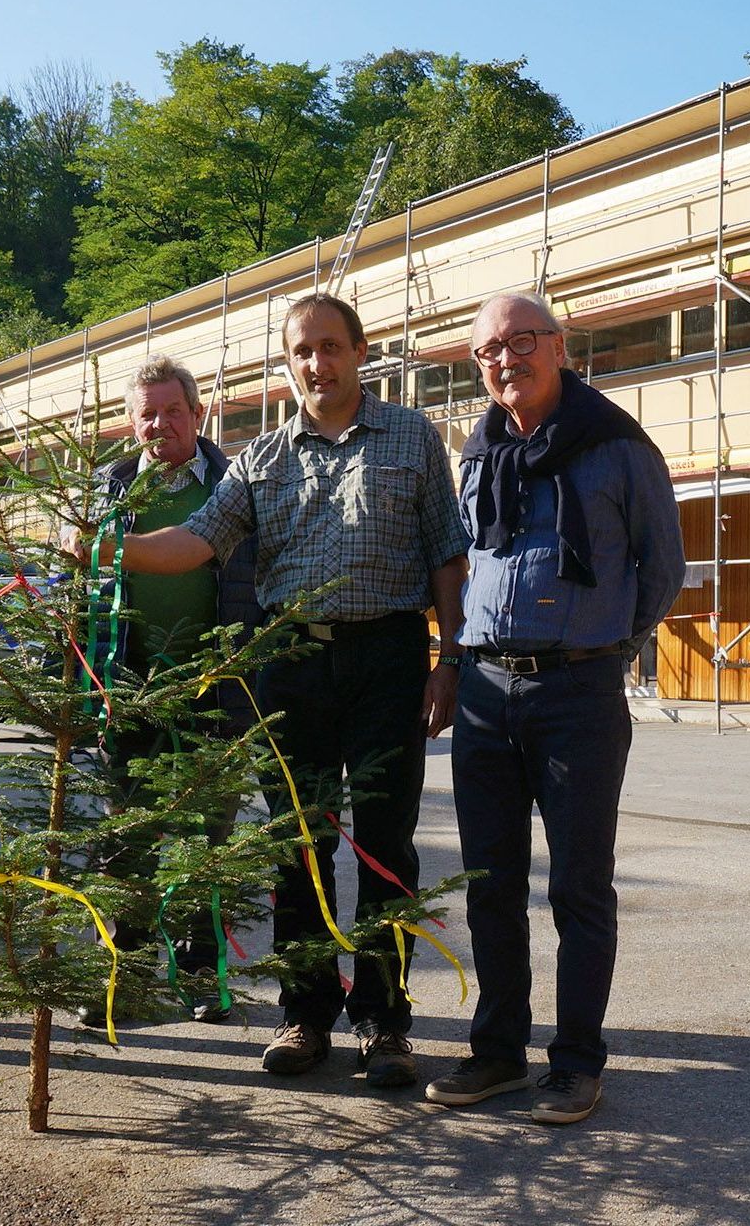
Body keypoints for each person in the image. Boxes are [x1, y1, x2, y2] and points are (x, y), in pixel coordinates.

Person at [72, 294, 469, 1088]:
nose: (317, 364)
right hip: (290, 666)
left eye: (330, 347)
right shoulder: (259, 460)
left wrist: (448, 656)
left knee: (387, 845)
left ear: (360, 352)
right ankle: (305, 1015)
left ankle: (386, 1026)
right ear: (286, 365)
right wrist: (106, 545)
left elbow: (446, 554)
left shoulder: (413, 439)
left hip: (388, 657)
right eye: (301, 352)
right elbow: (193, 543)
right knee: (298, 846)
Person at [425, 291, 685, 1125]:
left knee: (578, 887)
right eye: (489, 350)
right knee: (490, 886)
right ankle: (498, 1052)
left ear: (559, 346)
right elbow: (465, 565)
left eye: (522, 341)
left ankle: (575, 1062)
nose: (507, 359)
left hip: (579, 692)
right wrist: (458, 660)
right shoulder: (483, 451)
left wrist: (605, 643)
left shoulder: (617, 446)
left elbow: (662, 567)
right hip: (484, 692)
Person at [91, 353, 264, 1020]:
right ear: (129, 422)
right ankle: (124, 973)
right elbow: (81, 588)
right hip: (128, 689)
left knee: (204, 838)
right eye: (146, 413)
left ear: (198, 413)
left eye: (172, 410)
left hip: (214, 690)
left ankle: (199, 973)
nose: (159, 423)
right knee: (126, 837)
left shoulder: (231, 484)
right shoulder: (107, 490)